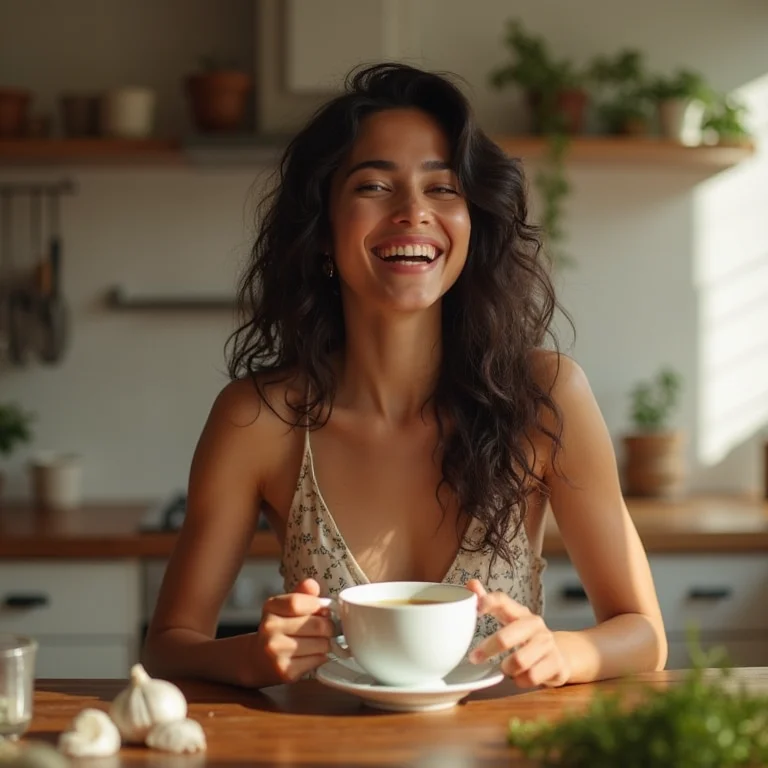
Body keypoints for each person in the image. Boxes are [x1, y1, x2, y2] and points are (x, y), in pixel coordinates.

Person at [143, 62, 667, 691]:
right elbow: (169, 648)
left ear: (472, 222)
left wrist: (569, 653)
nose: (414, 211)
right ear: (321, 229)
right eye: (373, 186)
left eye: (443, 188)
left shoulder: (546, 397)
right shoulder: (258, 418)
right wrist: (251, 655)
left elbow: (644, 633)